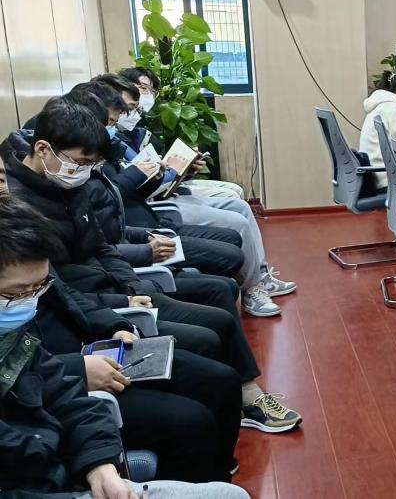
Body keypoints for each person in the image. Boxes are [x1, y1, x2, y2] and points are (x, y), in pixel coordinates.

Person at [2, 97, 302, 435]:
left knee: (221, 299)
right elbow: (62, 289)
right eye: (81, 162)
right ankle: (235, 402)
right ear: (43, 149)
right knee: (211, 336)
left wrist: (134, 285)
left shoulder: (67, 185)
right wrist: (124, 298)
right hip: (98, 306)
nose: (85, 171)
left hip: (114, 291)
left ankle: (245, 398)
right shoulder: (21, 216)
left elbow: (101, 245)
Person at [2, 196, 241, 482]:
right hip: (67, 380)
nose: (31, 299)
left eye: (38, 288)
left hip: (90, 354)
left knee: (221, 380)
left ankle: (218, 474)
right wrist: (80, 369)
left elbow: (69, 298)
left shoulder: (26, 256)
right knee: (192, 421)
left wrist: (113, 325)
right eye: (16, 294)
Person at [90, 76, 293, 318]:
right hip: (156, 211)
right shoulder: (102, 151)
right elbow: (118, 196)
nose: (131, 112)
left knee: (237, 203)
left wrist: (179, 170)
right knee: (237, 222)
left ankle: (259, 277)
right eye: (124, 110)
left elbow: (141, 183)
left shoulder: (130, 134)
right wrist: (151, 175)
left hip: (157, 203)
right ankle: (252, 289)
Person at [118, 67, 246, 201]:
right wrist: (173, 171)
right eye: (144, 88)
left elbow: (158, 169)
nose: (148, 95)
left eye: (153, 92)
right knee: (231, 196)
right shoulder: (116, 136)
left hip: (165, 188)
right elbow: (144, 180)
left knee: (235, 190)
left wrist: (185, 169)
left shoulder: (140, 128)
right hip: (154, 198)